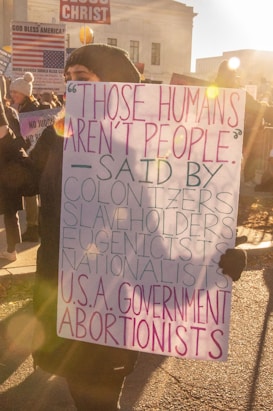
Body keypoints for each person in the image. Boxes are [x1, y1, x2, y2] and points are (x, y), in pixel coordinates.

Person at [0, 44, 247, 410]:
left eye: (81, 79)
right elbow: (23, 181)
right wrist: (3, 137)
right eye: (68, 81)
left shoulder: (152, 145)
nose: (72, 89)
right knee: (78, 390)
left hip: (115, 305)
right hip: (67, 296)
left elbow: (174, 225)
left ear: (117, 85)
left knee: (97, 397)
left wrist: (218, 257)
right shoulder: (60, 134)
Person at [214, 59, 273, 185]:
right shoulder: (239, 95)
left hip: (212, 145)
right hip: (231, 143)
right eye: (235, 76)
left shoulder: (210, 91)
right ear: (233, 78)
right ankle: (247, 181)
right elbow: (260, 109)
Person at [9, 72, 40, 242]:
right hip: (29, 156)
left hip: (31, 157)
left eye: (16, 92)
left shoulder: (30, 110)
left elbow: (28, 137)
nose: (13, 95)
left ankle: (33, 227)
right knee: (30, 192)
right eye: (12, 92)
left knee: (30, 193)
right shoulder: (24, 107)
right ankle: (34, 225)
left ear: (25, 93)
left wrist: (16, 144)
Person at [0, 75, 25, 261]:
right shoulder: (12, 113)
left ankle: (11, 249)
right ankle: (12, 249)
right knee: (11, 212)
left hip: (5, 166)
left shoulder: (6, 115)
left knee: (9, 211)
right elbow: (19, 138)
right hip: (10, 170)